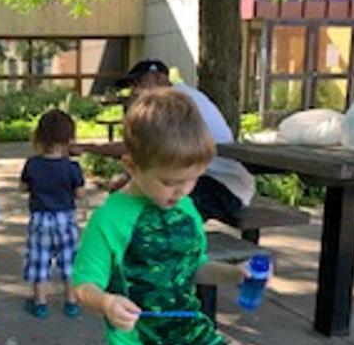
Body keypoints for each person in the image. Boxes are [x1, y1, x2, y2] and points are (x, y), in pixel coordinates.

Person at [71, 87, 277, 345]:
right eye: (170, 181)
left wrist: (232, 274)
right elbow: (81, 286)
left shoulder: (185, 208)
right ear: (131, 165)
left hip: (194, 337)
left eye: (193, 180)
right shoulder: (109, 219)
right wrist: (106, 302)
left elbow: (193, 266)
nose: (183, 191)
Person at [76, 59, 255, 223]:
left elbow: (137, 146)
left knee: (154, 217)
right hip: (203, 179)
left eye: (139, 82)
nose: (135, 90)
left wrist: (86, 148)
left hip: (222, 188)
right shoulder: (181, 97)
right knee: (138, 203)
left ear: (160, 77)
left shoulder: (173, 103)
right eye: (132, 86)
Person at [20, 108, 86, 319]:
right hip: (65, 218)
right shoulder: (72, 167)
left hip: (40, 218)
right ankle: (71, 301)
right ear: (69, 138)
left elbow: (23, 187)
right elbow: (80, 193)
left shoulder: (33, 164)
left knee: (40, 258)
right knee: (68, 259)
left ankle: (40, 302)